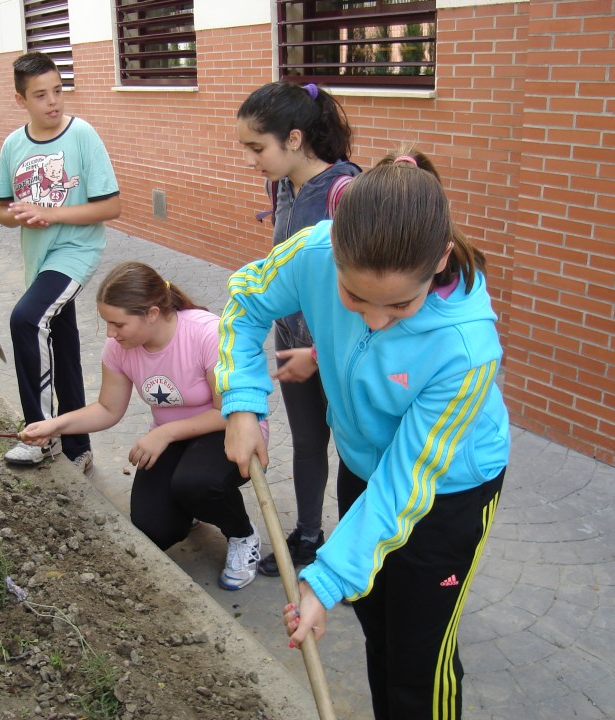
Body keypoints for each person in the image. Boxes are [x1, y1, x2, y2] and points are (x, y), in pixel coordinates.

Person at [216, 149, 510, 718]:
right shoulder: (315, 251)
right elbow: (246, 303)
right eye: (354, 298)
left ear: (440, 259)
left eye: (400, 305)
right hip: (361, 467)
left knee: (419, 662)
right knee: (378, 626)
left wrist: (322, 583)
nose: (374, 318)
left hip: (443, 493)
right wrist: (243, 404)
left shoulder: (467, 349)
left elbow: (406, 484)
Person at [19, 261, 265, 590]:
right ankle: (193, 508)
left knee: (197, 482)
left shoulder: (206, 333)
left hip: (228, 431)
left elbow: (227, 411)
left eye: (118, 324)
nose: (110, 333)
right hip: (174, 439)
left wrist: (163, 433)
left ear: (151, 313)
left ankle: (242, 534)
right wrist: (55, 425)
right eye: (107, 323)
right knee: (153, 528)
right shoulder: (121, 348)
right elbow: (108, 409)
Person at [236, 80, 361, 576]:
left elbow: (362, 284)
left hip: (341, 347)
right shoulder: (281, 184)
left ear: (293, 138)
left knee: (354, 449)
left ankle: (355, 555)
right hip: (291, 340)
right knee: (308, 443)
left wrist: (329, 348)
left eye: (256, 148)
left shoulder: (344, 192)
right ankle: (309, 535)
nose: (251, 161)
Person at [0, 51, 121, 475]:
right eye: (40, 95)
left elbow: (111, 206)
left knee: (27, 320)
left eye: (58, 91)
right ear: (20, 100)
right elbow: (0, 210)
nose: (53, 102)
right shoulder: (13, 145)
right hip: (38, 259)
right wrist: (20, 212)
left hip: (75, 252)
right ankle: (78, 447)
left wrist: (51, 213)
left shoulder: (82, 134)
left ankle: (39, 433)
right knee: (61, 347)